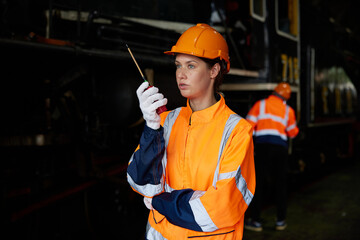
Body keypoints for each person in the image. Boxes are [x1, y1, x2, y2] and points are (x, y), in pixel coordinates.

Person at [127, 23, 256, 240]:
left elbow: (220, 208)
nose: (181, 74)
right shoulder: (164, 121)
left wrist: (160, 201)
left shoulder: (237, 131)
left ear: (214, 70)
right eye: (178, 65)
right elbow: (140, 182)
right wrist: (151, 128)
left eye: (191, 66)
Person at [244, 82, 299, 232]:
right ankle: (281, 221)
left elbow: (247, 126)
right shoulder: (288, 110)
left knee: (258, 183)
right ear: (286, 97)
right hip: (280, 148)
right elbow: (293, 133)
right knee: (280, 184)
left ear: (274, 93)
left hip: (262, 147)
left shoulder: (260, 105)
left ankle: (256, 222)